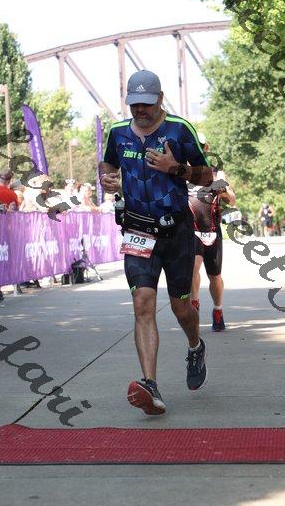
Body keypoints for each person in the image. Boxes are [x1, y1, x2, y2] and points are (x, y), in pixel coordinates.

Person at [99, 69, 213, 416]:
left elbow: (207, 175)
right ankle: (150, 384)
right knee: (142, 303)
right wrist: (107, 179)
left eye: (146, 104)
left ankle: (195, 345)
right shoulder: (118, 132)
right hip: (138, 231)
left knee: (181, 307)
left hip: (176, 233)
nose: (140, 110)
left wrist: (176, 168)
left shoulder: (179, 129)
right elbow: (107, 164)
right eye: (134, 104)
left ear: (160, 100)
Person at [188, 132, 236, 332]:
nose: (196, 149)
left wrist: (222, 190)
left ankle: (218, 309)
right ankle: (194, 306)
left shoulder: (217, 173)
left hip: (212, 230)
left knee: (214, 276)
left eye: (200, 145)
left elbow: (231, 200)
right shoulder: (181, 171)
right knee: (193, 268)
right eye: (192, 145)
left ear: (206, 148)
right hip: (191, 230)